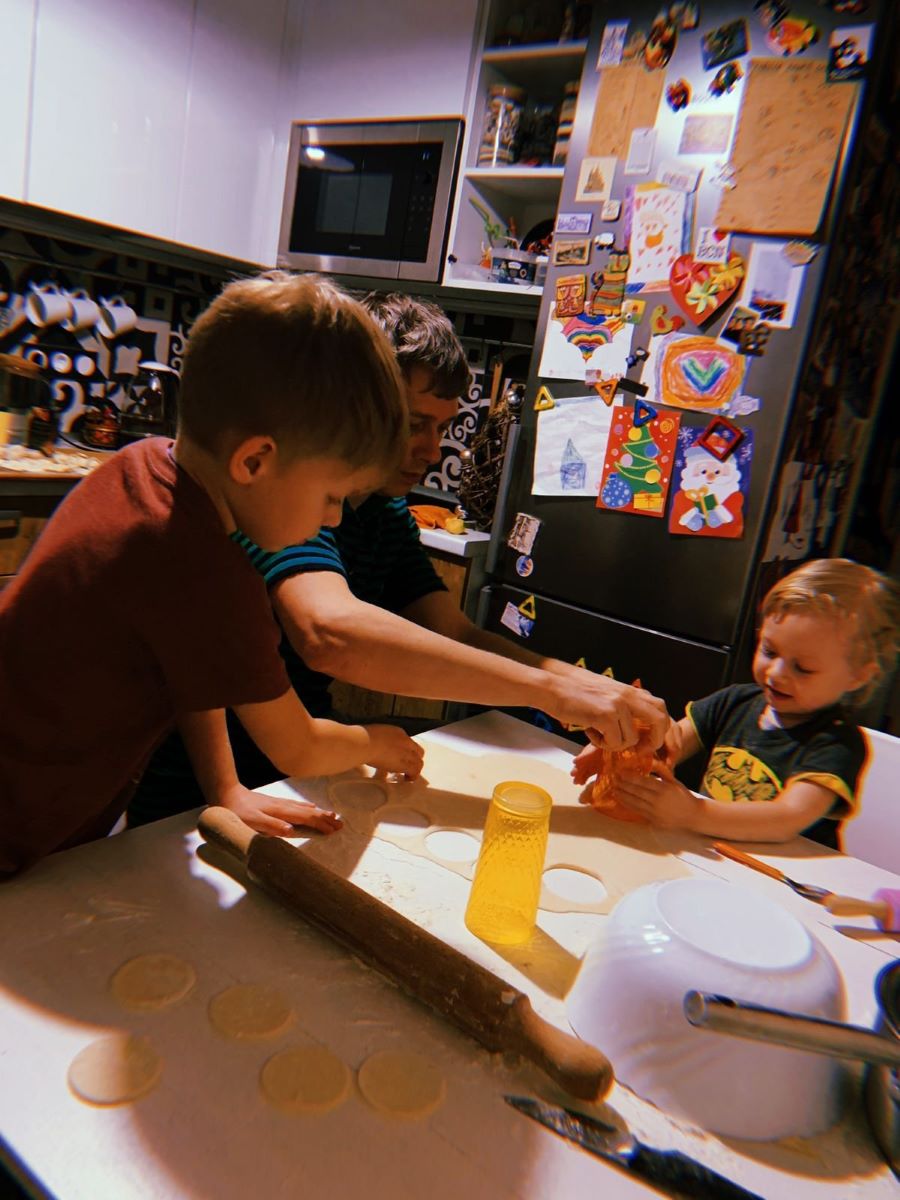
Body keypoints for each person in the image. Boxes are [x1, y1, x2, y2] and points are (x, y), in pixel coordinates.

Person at [129, 293, 669, 834]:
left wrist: (589, 690)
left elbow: (455, 635)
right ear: (357, 406)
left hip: (298, 773)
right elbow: (328, 633)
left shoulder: (382, 511)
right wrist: (553, 693)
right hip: (196, 800)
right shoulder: (279, 502)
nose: (433, 451)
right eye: (414, 424)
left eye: (442, 427)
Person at [0, 272, 426, 877]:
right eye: (332, 495)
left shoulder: (145, 467)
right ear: (254, 461)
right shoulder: (206, 572)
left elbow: (191, 670)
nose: (333, 517)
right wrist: (377, 740)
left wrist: (226, 787)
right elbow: (299, 746)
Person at [573, 558, 899, 847]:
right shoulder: (736, 700)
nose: (776, 673)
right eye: (769, 651)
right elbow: (669, 741)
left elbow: (787, 819)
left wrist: (694, 814)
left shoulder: (837, 744)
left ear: (858, 676)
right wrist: (619, 748)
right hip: (712, 853)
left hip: (780, 877)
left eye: (803, 668)